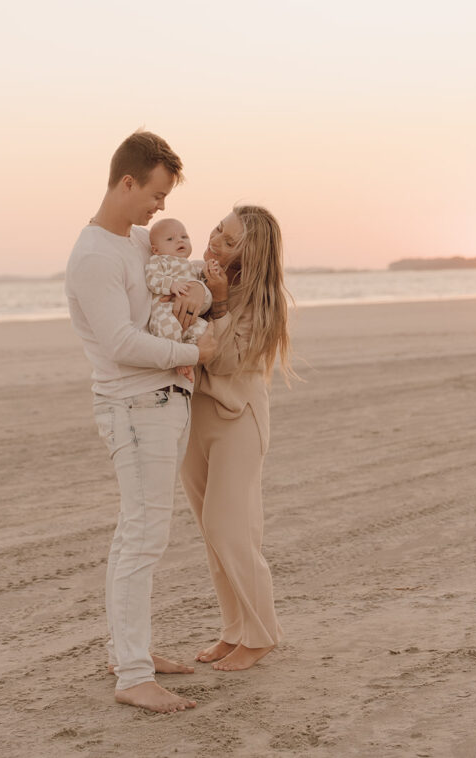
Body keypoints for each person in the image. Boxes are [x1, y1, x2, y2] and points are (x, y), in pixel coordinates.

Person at [64, 131, 217, 713]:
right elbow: (124, 343)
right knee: (144, 538)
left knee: (136, 533)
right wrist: (194, 355)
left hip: (160, 402)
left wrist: (197, 295)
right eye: (156, 194)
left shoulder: (133, 242)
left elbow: (181, 277)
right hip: (134, 406)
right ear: (128, 182)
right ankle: (132, 674)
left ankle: (131, 652)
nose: (161, 207)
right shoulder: (94, 257)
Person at [181, 205, 296, 671]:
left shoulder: (265, 302)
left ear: (252, 255)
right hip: (194, 417)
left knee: (233, 530)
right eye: (217, 231)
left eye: (229, 242)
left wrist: (222, 302)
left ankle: (261, 633)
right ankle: (234, 630)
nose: (214, 243)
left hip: (238, 420)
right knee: (212, 534)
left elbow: (225, 362)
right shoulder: (197, 275)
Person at [145, 218, 211, 346]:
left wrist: (211, 270)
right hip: (165, 311)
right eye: (170, 239)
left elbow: (204, 281)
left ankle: (189, 354)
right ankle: (179, 357)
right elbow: (153, 279)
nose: (180, 240)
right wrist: (171, 285)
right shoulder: (159, 261)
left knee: (203, 328)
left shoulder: (192, 266)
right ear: (156, 250)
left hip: (188, 316)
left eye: (184, 236)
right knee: (169, 328)